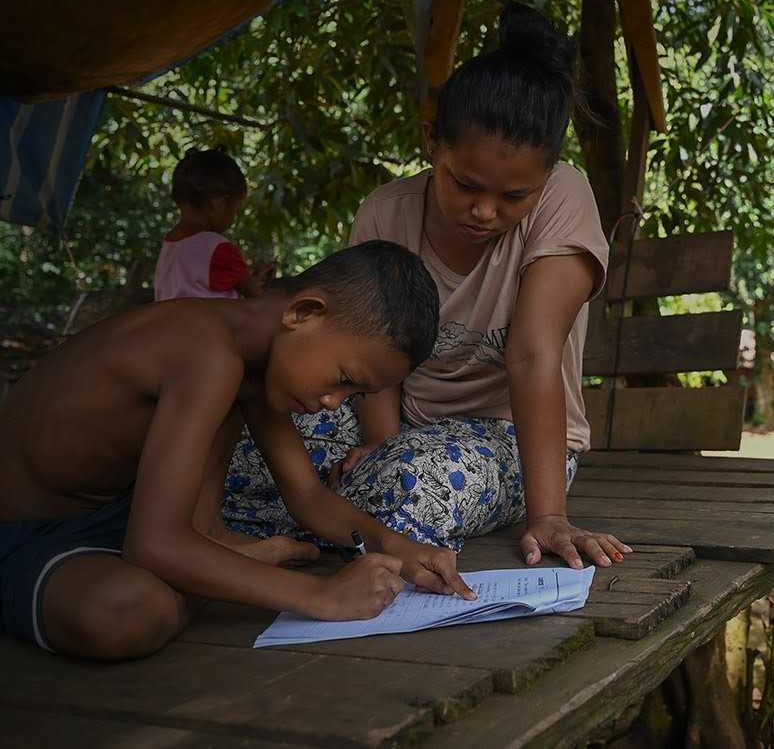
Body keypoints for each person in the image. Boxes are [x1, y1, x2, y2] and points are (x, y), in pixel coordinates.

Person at [225, 2, 629, 572]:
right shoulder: (384, 212)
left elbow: (534, 353)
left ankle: (318, 527)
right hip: (404, 422)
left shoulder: (565, 197)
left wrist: (549, 517)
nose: (485, 211)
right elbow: (373, 358)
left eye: (514, 197)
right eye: (465, 185)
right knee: (245, 457)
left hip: (516, 435)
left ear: (545, 178)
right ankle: (308, 528)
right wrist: (379, 444)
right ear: (432, 142)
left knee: (409, 482)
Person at [0, 241, 474, 661]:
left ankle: (210, 560)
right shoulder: (205, 351)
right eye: (344, 380)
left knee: (175, 578)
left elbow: (307, 495)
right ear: (303, 313)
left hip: (111, 520)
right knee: (128, 613)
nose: (333, 402)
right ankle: (211, 563)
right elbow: (152, 544)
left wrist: (398, 546)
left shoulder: (254, 365)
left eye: (353, 397)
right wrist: (321, 595)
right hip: (26, 532)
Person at [154, 146, 275, 301]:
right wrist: (262, 279)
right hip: (209, 325)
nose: (233, 217)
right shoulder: (216, 246)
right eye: (235, 210)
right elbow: (253, 292)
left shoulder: (170, 244)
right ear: (218, 204)